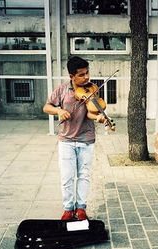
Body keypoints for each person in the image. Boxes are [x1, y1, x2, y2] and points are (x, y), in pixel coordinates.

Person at [43, 56, 106, 220]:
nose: (86, 77)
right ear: (71, 76)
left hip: (86, 139)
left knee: (84, 175)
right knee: (67, 176)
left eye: (87, 73)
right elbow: (47, 106)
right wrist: (59, 111)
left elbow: (92, 112)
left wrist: (98, 117)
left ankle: (81, 208)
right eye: (81, 74)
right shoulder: (62, 90)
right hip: (66, 140)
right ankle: (68, 208)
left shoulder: (92, 89)